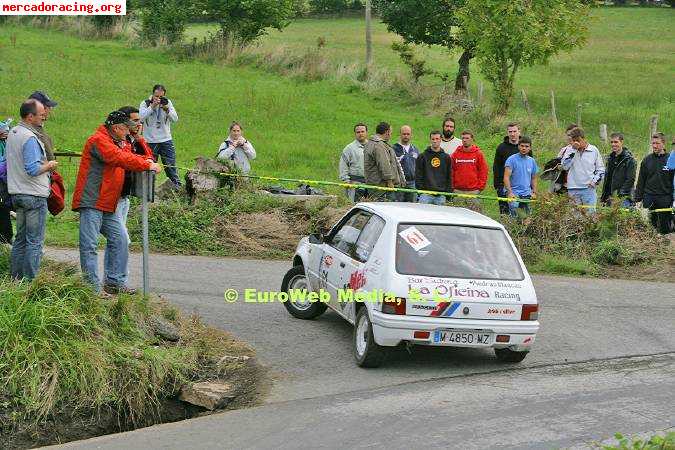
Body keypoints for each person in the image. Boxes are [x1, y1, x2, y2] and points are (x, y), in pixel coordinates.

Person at [72, 111, 161, 294]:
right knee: (90, 245)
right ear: (116, 128)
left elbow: (137, 154)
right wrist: (147, 165)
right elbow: (120, 158)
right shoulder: (98, 141)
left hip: (108, 202)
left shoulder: (118, 141)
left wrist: (147, 158)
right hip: (92, 201)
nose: (129, 131)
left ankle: (114, 283)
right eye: (126, 128)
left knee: (120, 240)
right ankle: (92, 290)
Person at [5, 100, 58, 280]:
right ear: (30, 116)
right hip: (34, 195)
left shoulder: (13, 132)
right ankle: (30, 282)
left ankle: (15, 279)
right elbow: (32, 169)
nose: (44, 116)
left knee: (20, 240)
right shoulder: (29, 137)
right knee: (34, 242)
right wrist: (49, 165)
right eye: (41, 113)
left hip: (17, 193)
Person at [106, 106, 156, 286]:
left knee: (119, 240)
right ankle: (117, 281)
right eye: (134, 121)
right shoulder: (120, 141)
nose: (138, 124)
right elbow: (130, 159)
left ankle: (114, 279)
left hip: (124, 196)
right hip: (115, 197)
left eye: (139, 121)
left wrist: (139, 138)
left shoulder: (132, 139)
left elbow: (149, 157)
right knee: (121, 240)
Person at [139, 84, 180, 188]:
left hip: (166, 140)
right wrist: (152, 107)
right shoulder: (145, 103)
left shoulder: (167, 103)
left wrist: (167, 109)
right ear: (152, 94)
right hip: (150, 141)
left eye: (161, 97)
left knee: (170, 166)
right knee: (150, 167)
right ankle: (148, 189)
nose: (158, 99)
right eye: (156, 96)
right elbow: (141, 118)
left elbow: (175, 119)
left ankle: (176, 187)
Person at [635, 133, 673, 234]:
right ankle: (651, 245)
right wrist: (637, 198)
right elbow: (641, 181)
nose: (655, 146)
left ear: (663, 144)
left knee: (665, 227)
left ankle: (665, 246)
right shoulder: (647, 160)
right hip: (649, 197)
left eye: (657, 143)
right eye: (653, 143)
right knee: (650, 225)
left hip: (665, 197)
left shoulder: (670, 160)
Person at [561, 127, 605, 213]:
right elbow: (565, 166)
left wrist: (594, 182)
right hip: (573, 188)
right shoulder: (570, 150)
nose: (576, 143)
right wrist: (573, 150)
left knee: (590, 216)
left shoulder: (593, 150)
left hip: (588, 188)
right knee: (574, 217)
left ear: (584, 138)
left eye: (578, 140)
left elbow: (601, 169)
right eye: (573, 140)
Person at [363, 122, 405, 201]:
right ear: (387, 132)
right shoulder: (379, 145)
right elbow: (384, 165)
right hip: (382, 187)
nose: (391, 135)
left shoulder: (370, 143)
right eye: (391, 132)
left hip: (374, 184)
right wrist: (389, 181)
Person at [504, 136, 538, 217]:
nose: (524, 148)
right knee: (515, 217)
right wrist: (510, 192)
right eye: (522, 146)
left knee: (527, 217)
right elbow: (506, 177)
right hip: (514, 193)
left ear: (530, 148)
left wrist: (534, 192)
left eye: (526, 146)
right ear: (518, 146)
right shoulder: (511, 159)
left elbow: (534, 178)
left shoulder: (532, 161)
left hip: (527, 193)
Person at [415, 131, 452, 205]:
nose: (435, 141)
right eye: (433, 139)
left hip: (441, 196)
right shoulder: (422, 156)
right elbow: (418, 175)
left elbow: (449, 176)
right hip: (425, 195)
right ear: (430, 140)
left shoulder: (446, 157)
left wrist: (446, 194)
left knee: (440, 216)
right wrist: (421, 191)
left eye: (437, 139)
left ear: (441, 139)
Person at [450, 130, 488, 203]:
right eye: (463, 138)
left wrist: (479, 188)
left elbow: (483, 171)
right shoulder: (455, 154)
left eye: (467, 138)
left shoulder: (478, 154)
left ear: (472, 139)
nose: (464, 140)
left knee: (474, 213)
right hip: (458, 191)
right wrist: (452, 187)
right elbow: (451, 171)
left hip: (473, 191)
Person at [600, 133, 636, 208]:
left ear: (621, 142)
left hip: (623, 198)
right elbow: (607, 179)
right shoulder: (609, 159)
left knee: (623, 219)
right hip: (609, 197)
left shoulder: (629, 159)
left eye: (616, 142)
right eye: (612, 142)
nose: (613, 144)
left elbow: (630, 179)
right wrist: (604, 197)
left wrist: (620, 194)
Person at [493, 122, 521, 214]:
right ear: (507, 132)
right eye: (510, 131)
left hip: (521, 187)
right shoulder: (501, 147)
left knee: (520, 214)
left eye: (514, 131)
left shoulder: (525, 147)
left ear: (519, 132)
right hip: (503, 186)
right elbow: (496, 167)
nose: (512, 134)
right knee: (505, 213)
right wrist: (498, 186)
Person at [338, 123, 368, 202]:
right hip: (355, 184)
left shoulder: (372, 147)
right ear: (355, 134)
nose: (360, 134)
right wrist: (347, 181)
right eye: (358, 132)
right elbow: (343, 166)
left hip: (370, 185)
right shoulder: (349, 148)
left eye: (362, 131)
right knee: (354, 207)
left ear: (366, 132)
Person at [27, 91, 58, 161]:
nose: (50, 109)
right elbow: (50, 158)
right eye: (48, 107)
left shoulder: (23, 129)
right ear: (39, 108)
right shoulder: (34, 133)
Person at [392, 125, 420, 202]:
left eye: (408, 134)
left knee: (412, 208)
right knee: (398, 207)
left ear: (411, 135)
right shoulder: (393, 149)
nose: (406, 136)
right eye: (404, 134)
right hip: (399, 184)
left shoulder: (415, 150)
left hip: (412, 183)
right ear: (400, 134)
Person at [0, 118, 14, 245]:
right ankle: (5, 237)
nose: (6, 133)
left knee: (4, 208)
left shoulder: (5, 143)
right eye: (4, 131)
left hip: (4, 183)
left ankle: (6, 237)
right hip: (2, 182)